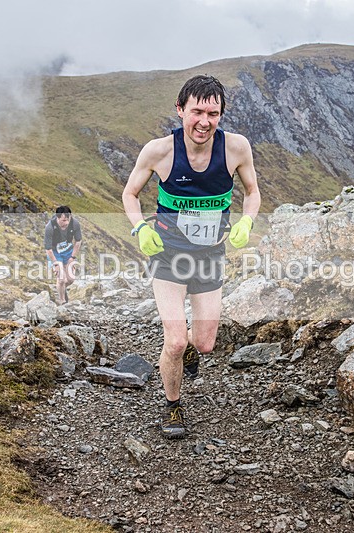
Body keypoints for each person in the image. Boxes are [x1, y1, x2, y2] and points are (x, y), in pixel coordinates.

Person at [122, 75, 261, 439]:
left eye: (213, 114)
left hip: (210, 255)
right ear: (180, 110)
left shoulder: (236, 148)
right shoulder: (159, 151)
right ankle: (172, 406)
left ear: (221, 115)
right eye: (197, 111)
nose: (204, 121)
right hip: (168, 255)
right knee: (175, 341)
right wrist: (141, 229)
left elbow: (252, 191)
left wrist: (246, 221)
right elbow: (130, 194)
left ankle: (188, 351)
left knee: (204, 343)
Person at [44, 206, 82, 304]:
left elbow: (78, 241)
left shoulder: (75, 224)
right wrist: (55, 264)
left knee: (70, 279)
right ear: (58, 218)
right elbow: (48, 249)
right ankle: (62, 301)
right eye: (63, 220)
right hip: (54, 253)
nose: (66, 223)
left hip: (68, 251)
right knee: (61, 279)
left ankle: (62, 289)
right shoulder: (50, 227)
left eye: (68, 220)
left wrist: (72, 257)